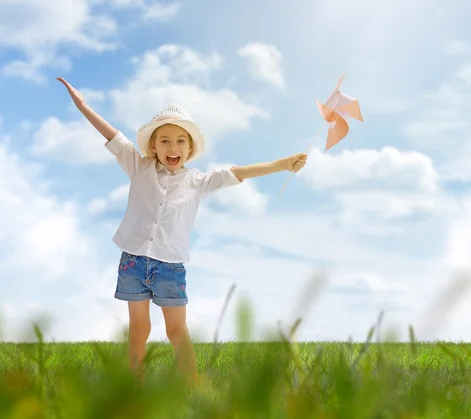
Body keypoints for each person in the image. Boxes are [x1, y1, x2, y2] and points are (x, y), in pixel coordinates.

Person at [56, 77, 307, 385]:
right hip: (133, 261)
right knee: (138, 330)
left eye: (180, 141)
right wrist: (83, 106)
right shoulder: (139, 166)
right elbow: (113, 136)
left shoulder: (199, 181)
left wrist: (281, 164)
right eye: (164, 141)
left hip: (170, 266)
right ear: (153, 146)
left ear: (189, 148)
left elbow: (238, 172)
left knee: (176, 331)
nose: (172, 147)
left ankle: (194, 386)